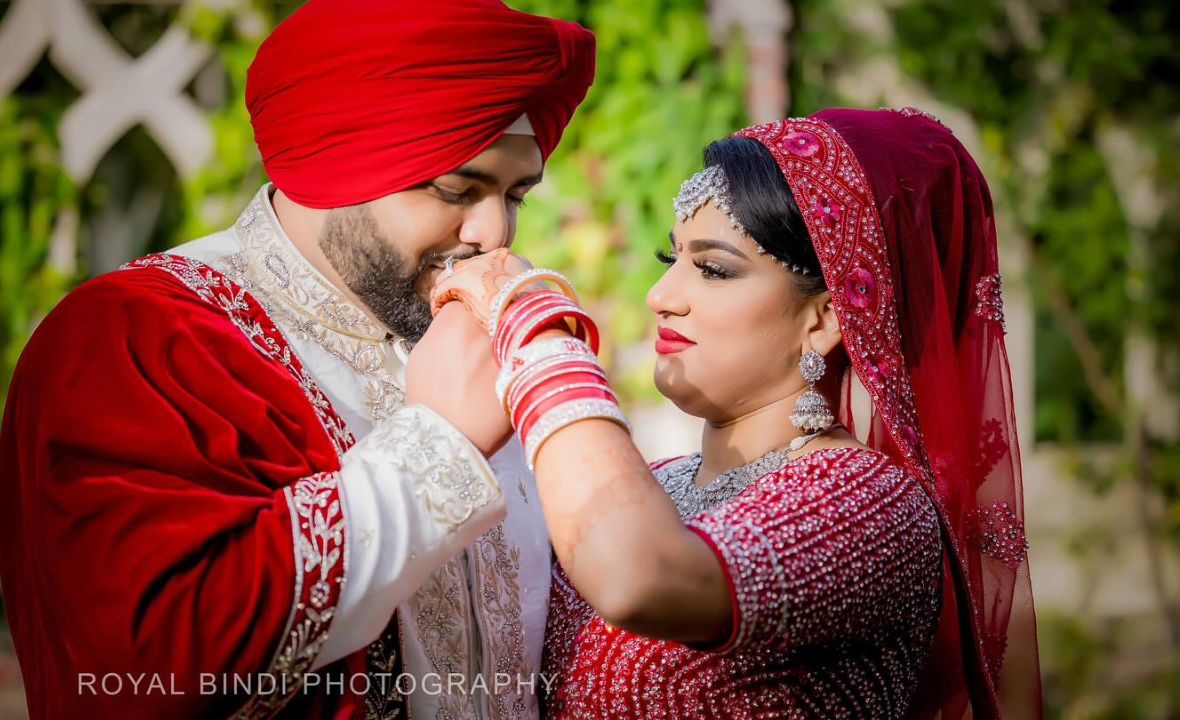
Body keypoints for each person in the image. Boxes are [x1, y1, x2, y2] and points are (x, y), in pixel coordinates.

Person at [0, 2, 594, 718]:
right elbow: (155, 662)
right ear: (335, 168)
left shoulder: (472, 337)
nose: (494, 233)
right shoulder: (136, 335)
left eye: (516, 194)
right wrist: (441, 447)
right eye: (456, 190)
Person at [418, 107, 1042, 719]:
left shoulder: (871, 503)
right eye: (672, 261)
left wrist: (536, 329)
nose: (661, 297)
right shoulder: (657, 481)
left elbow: (641, 580)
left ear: (825, 318)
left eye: (713, 270)